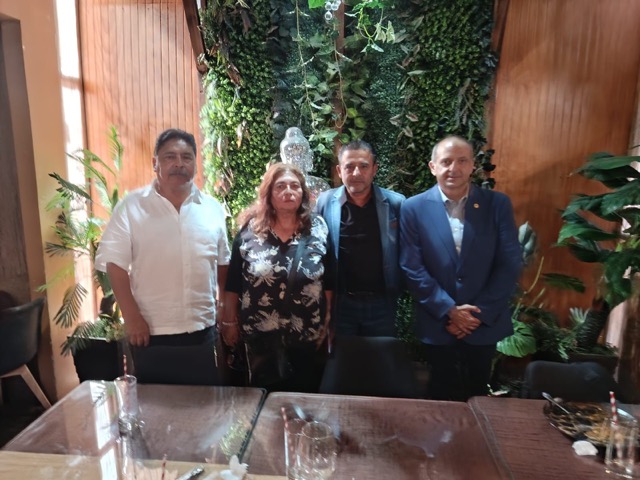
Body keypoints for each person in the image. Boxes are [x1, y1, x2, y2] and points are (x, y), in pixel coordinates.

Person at [95, 128, 230, 385]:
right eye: (170, 157)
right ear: (155, 163)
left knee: (204, 404)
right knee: (155, 406)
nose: (179, 163)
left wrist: (223, 309)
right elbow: (115, 265)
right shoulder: (131, 207)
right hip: (150, 332)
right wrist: (132, 318)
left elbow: (223, 263)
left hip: (202, 330)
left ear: (195, 164)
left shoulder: (212, 209)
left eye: (187, 157)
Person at [399, 135, 522, 401]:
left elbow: (510, 262)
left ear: (472, 165)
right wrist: (449, 310)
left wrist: (478, 314)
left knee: (477, 395)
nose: (453, 168)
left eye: (462, 161)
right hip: (438, 321)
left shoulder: (497, 205)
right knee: (439, 395)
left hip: (483, 323)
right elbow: (412, 266)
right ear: (433, 167)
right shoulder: (413, 208)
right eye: (446, 161)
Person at [221, 163, 333, 392]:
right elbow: (233, 283)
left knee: (305, 401)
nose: (288, 191)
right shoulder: (250, 231)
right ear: (269, 193)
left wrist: (328, 319)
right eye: (280, 186)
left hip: (307, 336)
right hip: (261, 341)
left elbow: (329, 279)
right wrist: (229, 322)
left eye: (294, 186)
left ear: (303, 193)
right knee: (264, 403)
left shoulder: (318, 228)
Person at [315, 140, 405, 337]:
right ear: (339, 170)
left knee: (381, 355)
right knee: (344, 355)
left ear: (374, 169)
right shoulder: (325, 202)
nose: (356, 173)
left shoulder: (396, 203)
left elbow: (407, 251)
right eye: (349, 167)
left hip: (382, 303)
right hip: (341, 304)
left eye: (364, 166)